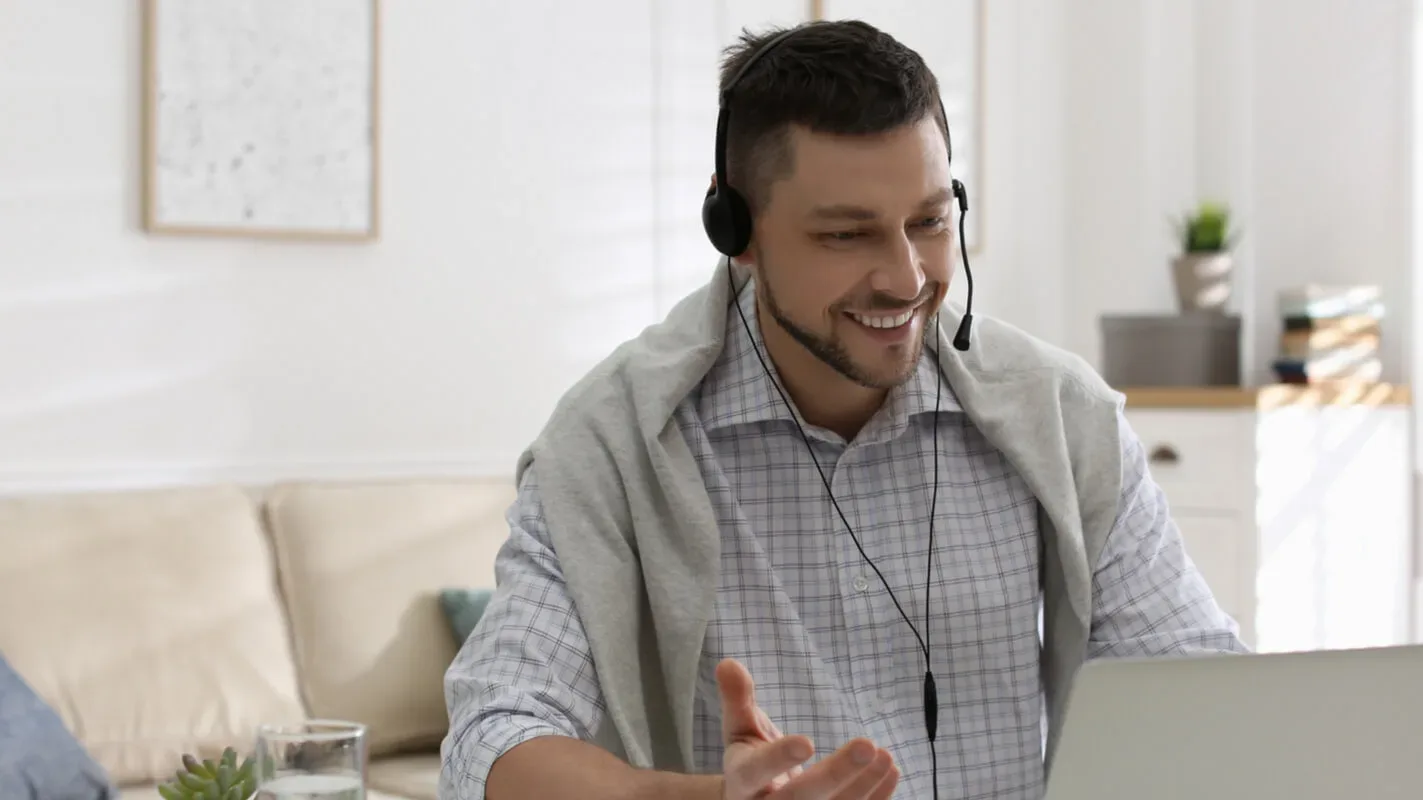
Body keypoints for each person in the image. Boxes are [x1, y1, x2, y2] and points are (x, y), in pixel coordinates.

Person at [438, 18, 1246, 800]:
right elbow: (492, 738)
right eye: (846, 236)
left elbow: (1196, 686)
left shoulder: (1062, 418)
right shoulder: (609, 443)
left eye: (930, 221)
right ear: (735, 230)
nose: (906, 278)